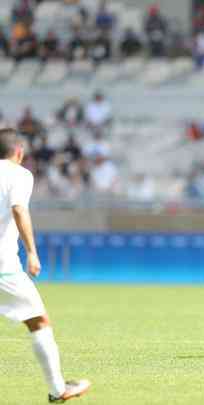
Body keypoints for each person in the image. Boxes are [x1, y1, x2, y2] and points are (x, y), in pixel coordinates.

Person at [0, 128, 91, 402]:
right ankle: (58, 389)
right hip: (3, 266)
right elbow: (18, 209)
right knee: (38, 321)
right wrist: (32, 252)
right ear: (19, 152)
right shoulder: (19, 174)